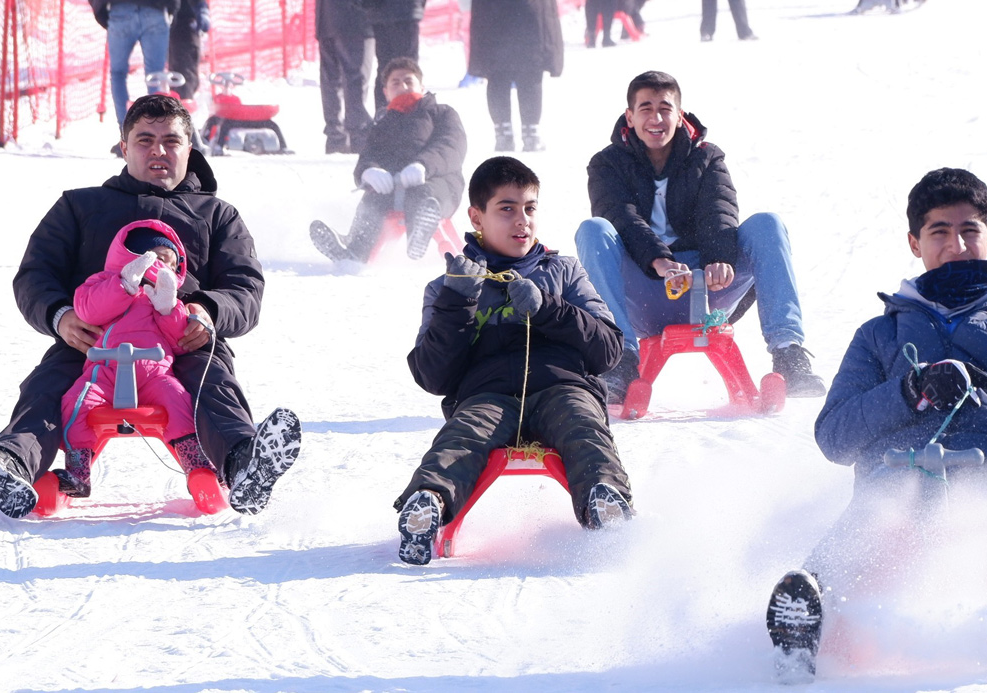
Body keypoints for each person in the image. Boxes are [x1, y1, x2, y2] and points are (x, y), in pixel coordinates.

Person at [764, 168, 987, 681]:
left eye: (969, 230)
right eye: (939, 231)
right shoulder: (880, 334)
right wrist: (910, 392)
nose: (956, 244)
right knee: (877, 510)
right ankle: (807, 607)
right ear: (915, 242)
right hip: (903, 461)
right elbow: (835, 437)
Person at [0, 94, 302, 519]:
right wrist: (61, 316)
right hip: (92, 340)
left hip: (182, 339)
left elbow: (245, 286)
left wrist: (208, 312)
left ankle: (244, 465)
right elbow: (35, 275)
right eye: (145, 139)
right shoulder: (80, 206)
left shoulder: (216, 215)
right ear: (124, 145)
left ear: (190, 147)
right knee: (47, 385)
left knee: (213, 380)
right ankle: (11, 466)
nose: (158, 151)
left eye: (171, 141)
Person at [394, 156, 634, 566]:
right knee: (462, 438)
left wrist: (548, 310)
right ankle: (427, 506)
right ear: (477, 216)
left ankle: (605, 505)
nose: (522, 220)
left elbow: (609, 349)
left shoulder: (564, 272)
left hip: (562, 386)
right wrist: (458, 301)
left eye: (529, 208)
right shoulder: (447, 288)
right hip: (487, 394)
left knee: (582, 426)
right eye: (506, 209)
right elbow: (432, 375)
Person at [575, 71, 825, 404]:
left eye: (665, 108)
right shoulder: (607, 164)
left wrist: (718, 257)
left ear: (680, 116)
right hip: (646, 289)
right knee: (594, 230)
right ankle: (619, 360)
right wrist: (660, 261)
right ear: (630, 117)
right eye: (645, 108)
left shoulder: (707, 156)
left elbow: (718, 211)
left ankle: (788, 353)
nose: (656, 118)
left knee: (767, 224)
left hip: (708, 287)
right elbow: (621, 217)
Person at [55, 220, 213, 498]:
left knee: (178, 399)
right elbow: (90, 311)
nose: (168, 268)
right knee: (77, 401)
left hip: (155, 374)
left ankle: (196, 464)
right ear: (138, 256)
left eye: (173, 265)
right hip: (105, 371)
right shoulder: (100, 283)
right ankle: (77, 469)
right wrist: (124, 285)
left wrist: (167, 307)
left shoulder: (170, 299)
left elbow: (180, 341)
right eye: (161, 258)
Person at [311, 57, 466, 265]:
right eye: (395, 82)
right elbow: (369, 155)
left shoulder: (442, 113)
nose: (402, 86)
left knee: (424, 196)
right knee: (372, 200)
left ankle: (418, 235)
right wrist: (369, 171)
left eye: (408, 81)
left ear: (422, 86)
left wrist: (423, 165)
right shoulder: (382, 124)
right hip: (393, 186)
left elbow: (451, 145)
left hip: (439, 183)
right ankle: (353, 251)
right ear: (386, 91)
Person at [467, 0, 564, 152]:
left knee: (498, 74)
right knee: (529, 73)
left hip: (493, 15)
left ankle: (504, 135)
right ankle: (530, 135)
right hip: (529, 15)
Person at [90, 0, 177, 150]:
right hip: (155, 11)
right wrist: (172, 8)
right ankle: (157, 134)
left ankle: (127, 136)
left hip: (121, 11)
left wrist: (101, 11)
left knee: (118, 74)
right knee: (156, 76)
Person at [316, 0, 374, 154]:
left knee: (331, 79)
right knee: (356, 79)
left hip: (326, 19)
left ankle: (336, 137)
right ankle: (357, 136)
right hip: (357, 18)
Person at [362, 0, 424, 113]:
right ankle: (409, 115)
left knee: (387, 69)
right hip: (404, 12)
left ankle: (385, 115)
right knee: (408, 68)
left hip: (381, 12)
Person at [167, 0, 209, 101]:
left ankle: (183, 104)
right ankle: (182, 105)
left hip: (183, 28)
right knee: (182, 75)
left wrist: (202, 13)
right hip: (181, 28)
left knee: (184, 75)